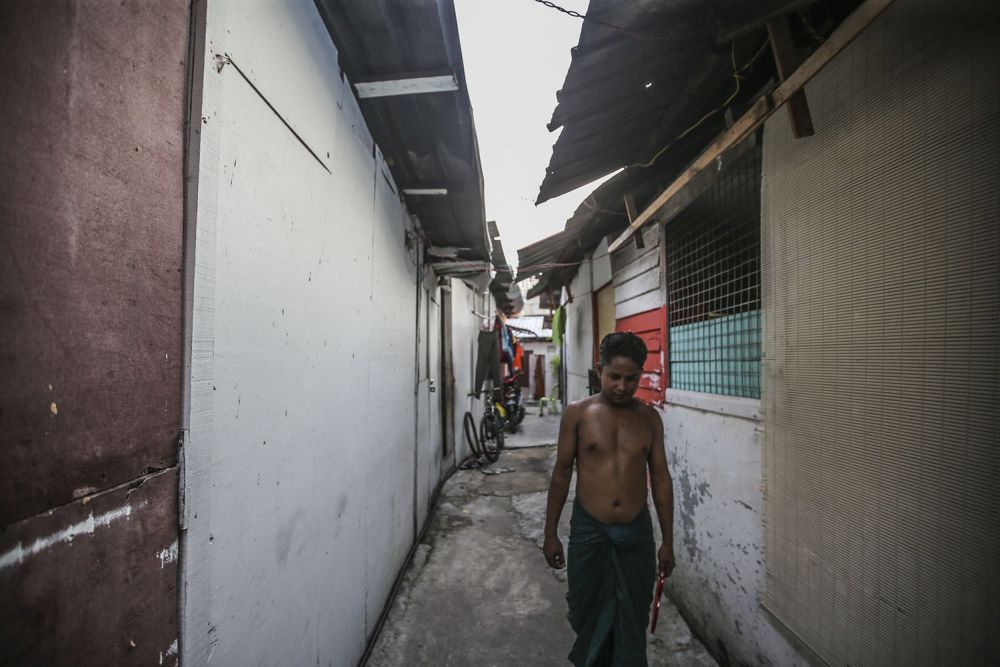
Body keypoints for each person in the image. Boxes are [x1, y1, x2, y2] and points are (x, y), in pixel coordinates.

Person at [543, 332, 675, 666]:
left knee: (632, 615)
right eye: (614, 376)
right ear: (599, 369)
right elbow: (562, 473)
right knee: (586, 612)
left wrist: (668, 541)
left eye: (631, 379)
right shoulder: (578, 414)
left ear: (640, 374)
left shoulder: (649, 419)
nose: (621, 386)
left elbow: (661, 478)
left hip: (635, 533)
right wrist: (550, 532)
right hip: (590, 531)